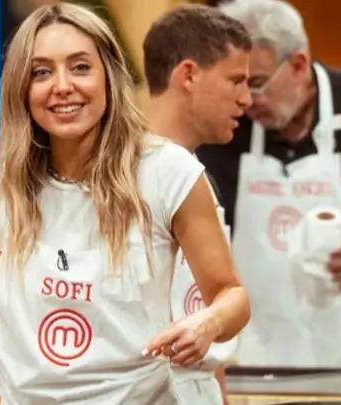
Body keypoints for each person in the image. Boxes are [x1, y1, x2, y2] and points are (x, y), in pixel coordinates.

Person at [0, 3, 250, 404]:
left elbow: (232, 297)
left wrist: (207, 323)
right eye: (41, 72)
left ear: (108, 77)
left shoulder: (167, 171)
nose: (62, 86)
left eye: (80, 67)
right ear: (21, 89)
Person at [196, 0, 341, 366]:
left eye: (256, 83)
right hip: (262, 358)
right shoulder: (227, 125)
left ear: (297, 64)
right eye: (235, 83)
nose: (245, 100)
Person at [142, 5, 252, 405]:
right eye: (235, 80)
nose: (246, 99)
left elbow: (208, 307)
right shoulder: (121, 178)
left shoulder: (199, 179)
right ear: (188, 75)